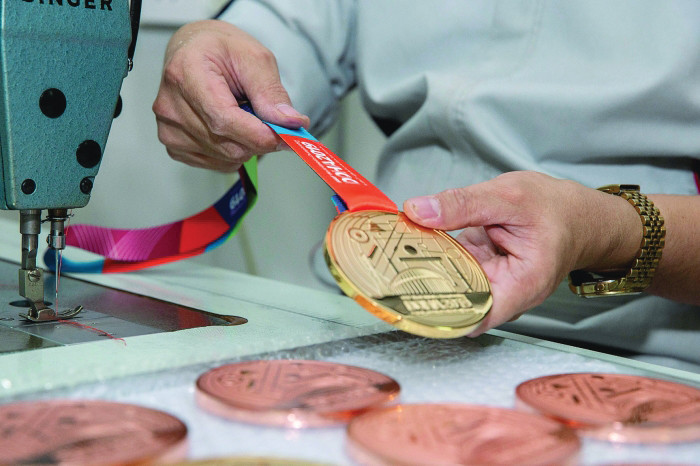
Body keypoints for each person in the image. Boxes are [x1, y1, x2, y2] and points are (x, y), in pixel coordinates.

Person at [152, 1, 700, 370]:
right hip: (355, 311)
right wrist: (216, 52)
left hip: (634, 353)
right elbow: (288, 27)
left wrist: (606, 232)